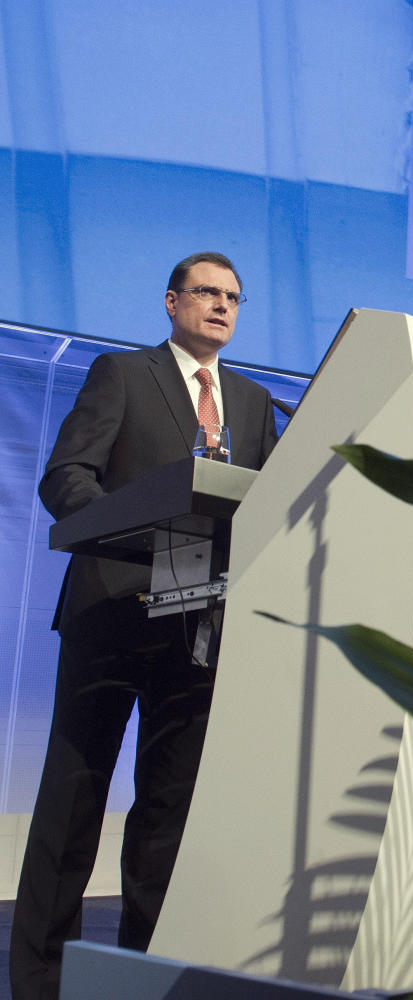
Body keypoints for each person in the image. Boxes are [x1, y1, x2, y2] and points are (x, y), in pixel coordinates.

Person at [10, 252, 279, 1000]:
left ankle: (140, 977)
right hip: (112, 605)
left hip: (197, 619)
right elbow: (67, 477)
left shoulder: (255, 404)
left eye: (233, 296)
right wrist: (129, 520)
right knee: (73, 803)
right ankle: (41, 983)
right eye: (206, 293)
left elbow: (275, 498)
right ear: (171, 302)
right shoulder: (122, 376)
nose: (221, 306)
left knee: (167, 813)